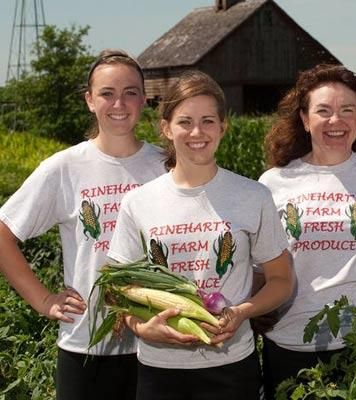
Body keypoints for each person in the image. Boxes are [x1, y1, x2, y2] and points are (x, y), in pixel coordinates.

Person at [107, 70, 294, 400]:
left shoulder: (253, 196)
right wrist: (140, 326)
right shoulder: (139, 202)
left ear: (224, 126)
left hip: (232, 366)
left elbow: (281, 281)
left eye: (208, 121)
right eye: (185, 122)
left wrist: (242, 312)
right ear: (166, 128)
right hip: (159, 369)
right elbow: (116, 287)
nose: (197, 132)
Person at [0, 49, 165, 400]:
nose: (119, 103)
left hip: (159, 344)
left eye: (130, 92)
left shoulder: (166, 164)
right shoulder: (64, 167)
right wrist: (43, 299)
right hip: (87, 345)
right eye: (107, 93)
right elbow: (3, 234)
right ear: (90, 100)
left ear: (144, 99)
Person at [258, 64, 356, 398]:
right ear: (304, 118)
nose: (336, 121)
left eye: (347, 111)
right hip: (291, 341)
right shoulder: (273, 183)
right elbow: (262, 270)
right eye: (323, 111)